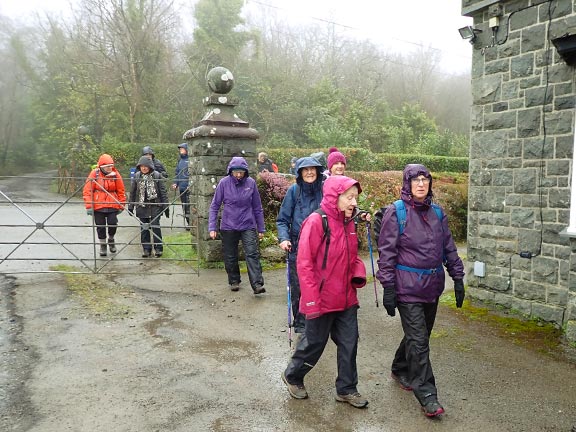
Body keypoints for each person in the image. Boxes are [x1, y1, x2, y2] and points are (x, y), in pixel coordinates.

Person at [376, 163, 465, 418]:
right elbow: (387, 253)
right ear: (407, 183)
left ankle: (399, 366)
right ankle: (427, 394)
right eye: (416, 180)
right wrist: (389, 288)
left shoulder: (437, 213)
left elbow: (449, 248)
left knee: (419, 336)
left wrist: (457, 278)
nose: (421, 184)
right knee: (419, 342)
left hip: (432, 287)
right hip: (407, 289)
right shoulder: (397, 212)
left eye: (425, 179)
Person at [281, 175, 368, 409]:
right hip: (321, 298)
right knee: (314, 344)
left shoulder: (349, 223)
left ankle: (347, 388)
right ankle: (293, 375)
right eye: (349, 197)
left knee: (350, 343)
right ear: (334, 197)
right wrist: (310, 301)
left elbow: (352, 257)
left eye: (355, 198)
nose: (353, 203)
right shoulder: (317, 221)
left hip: (347, 298)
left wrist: (358, 272)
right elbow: (304, 263)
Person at [276, 157, 323, 337]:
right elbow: (282, 220)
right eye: (305, 170)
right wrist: (284, 238)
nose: (310, 172)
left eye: (313, 169)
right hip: (297, 245)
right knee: (299, 285)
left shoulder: (324, 191)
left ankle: (319, 319)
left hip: (321, 245)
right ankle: (301, 322)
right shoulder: (294, 191)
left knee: (321, 282)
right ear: (300, 173)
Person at [208, 156, 266, 294]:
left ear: (245, 171)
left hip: (248, 223)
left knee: (252, 253)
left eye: (241, 172)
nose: (239, 175)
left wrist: (261, 227)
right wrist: (212, 227)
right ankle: (234, 280)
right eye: (236, 172)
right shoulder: (224, 183)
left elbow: (257, 207)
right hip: (228, 225)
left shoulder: (251, 183)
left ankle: (257, 284)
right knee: (230, 255)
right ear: (231, 171)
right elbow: (214, 206)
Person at [83, 154, 126, 257]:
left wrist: (121, 204)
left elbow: (121, 190)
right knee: (100, 226)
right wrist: (89, 206)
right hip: (98, 205)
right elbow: (87, 190)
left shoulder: (115, 174)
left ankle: (111, 239)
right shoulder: (94, 174)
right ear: (102, 166)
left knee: (113, 223)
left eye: (111, 166)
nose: (109, 168)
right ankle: (103, 245)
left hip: (112, 203)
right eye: (107, 166)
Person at [128, 156, 169, 258]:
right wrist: (130, 206)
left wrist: (166, 207)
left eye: (146, 166)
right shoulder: (137, 176)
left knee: (155, 227)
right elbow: (132, 192)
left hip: (155, 205)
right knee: (144, 228)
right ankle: (146, 249)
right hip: (142, 206)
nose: (144, 168)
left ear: (150, 166)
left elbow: (163, 192)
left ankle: (158, 249)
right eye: (142, 166)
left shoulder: (157, 175)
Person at [171, 143, 190, 230]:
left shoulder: (190, 160)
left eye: (182, 149)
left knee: (189, 206)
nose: (181, 150)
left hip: (189, 188)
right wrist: (176, 183)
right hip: (182, 188)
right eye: (180, 149)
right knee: (184, 206)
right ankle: (188, 223)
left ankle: (191, 224)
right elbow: (177, 173)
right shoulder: (180, 161)